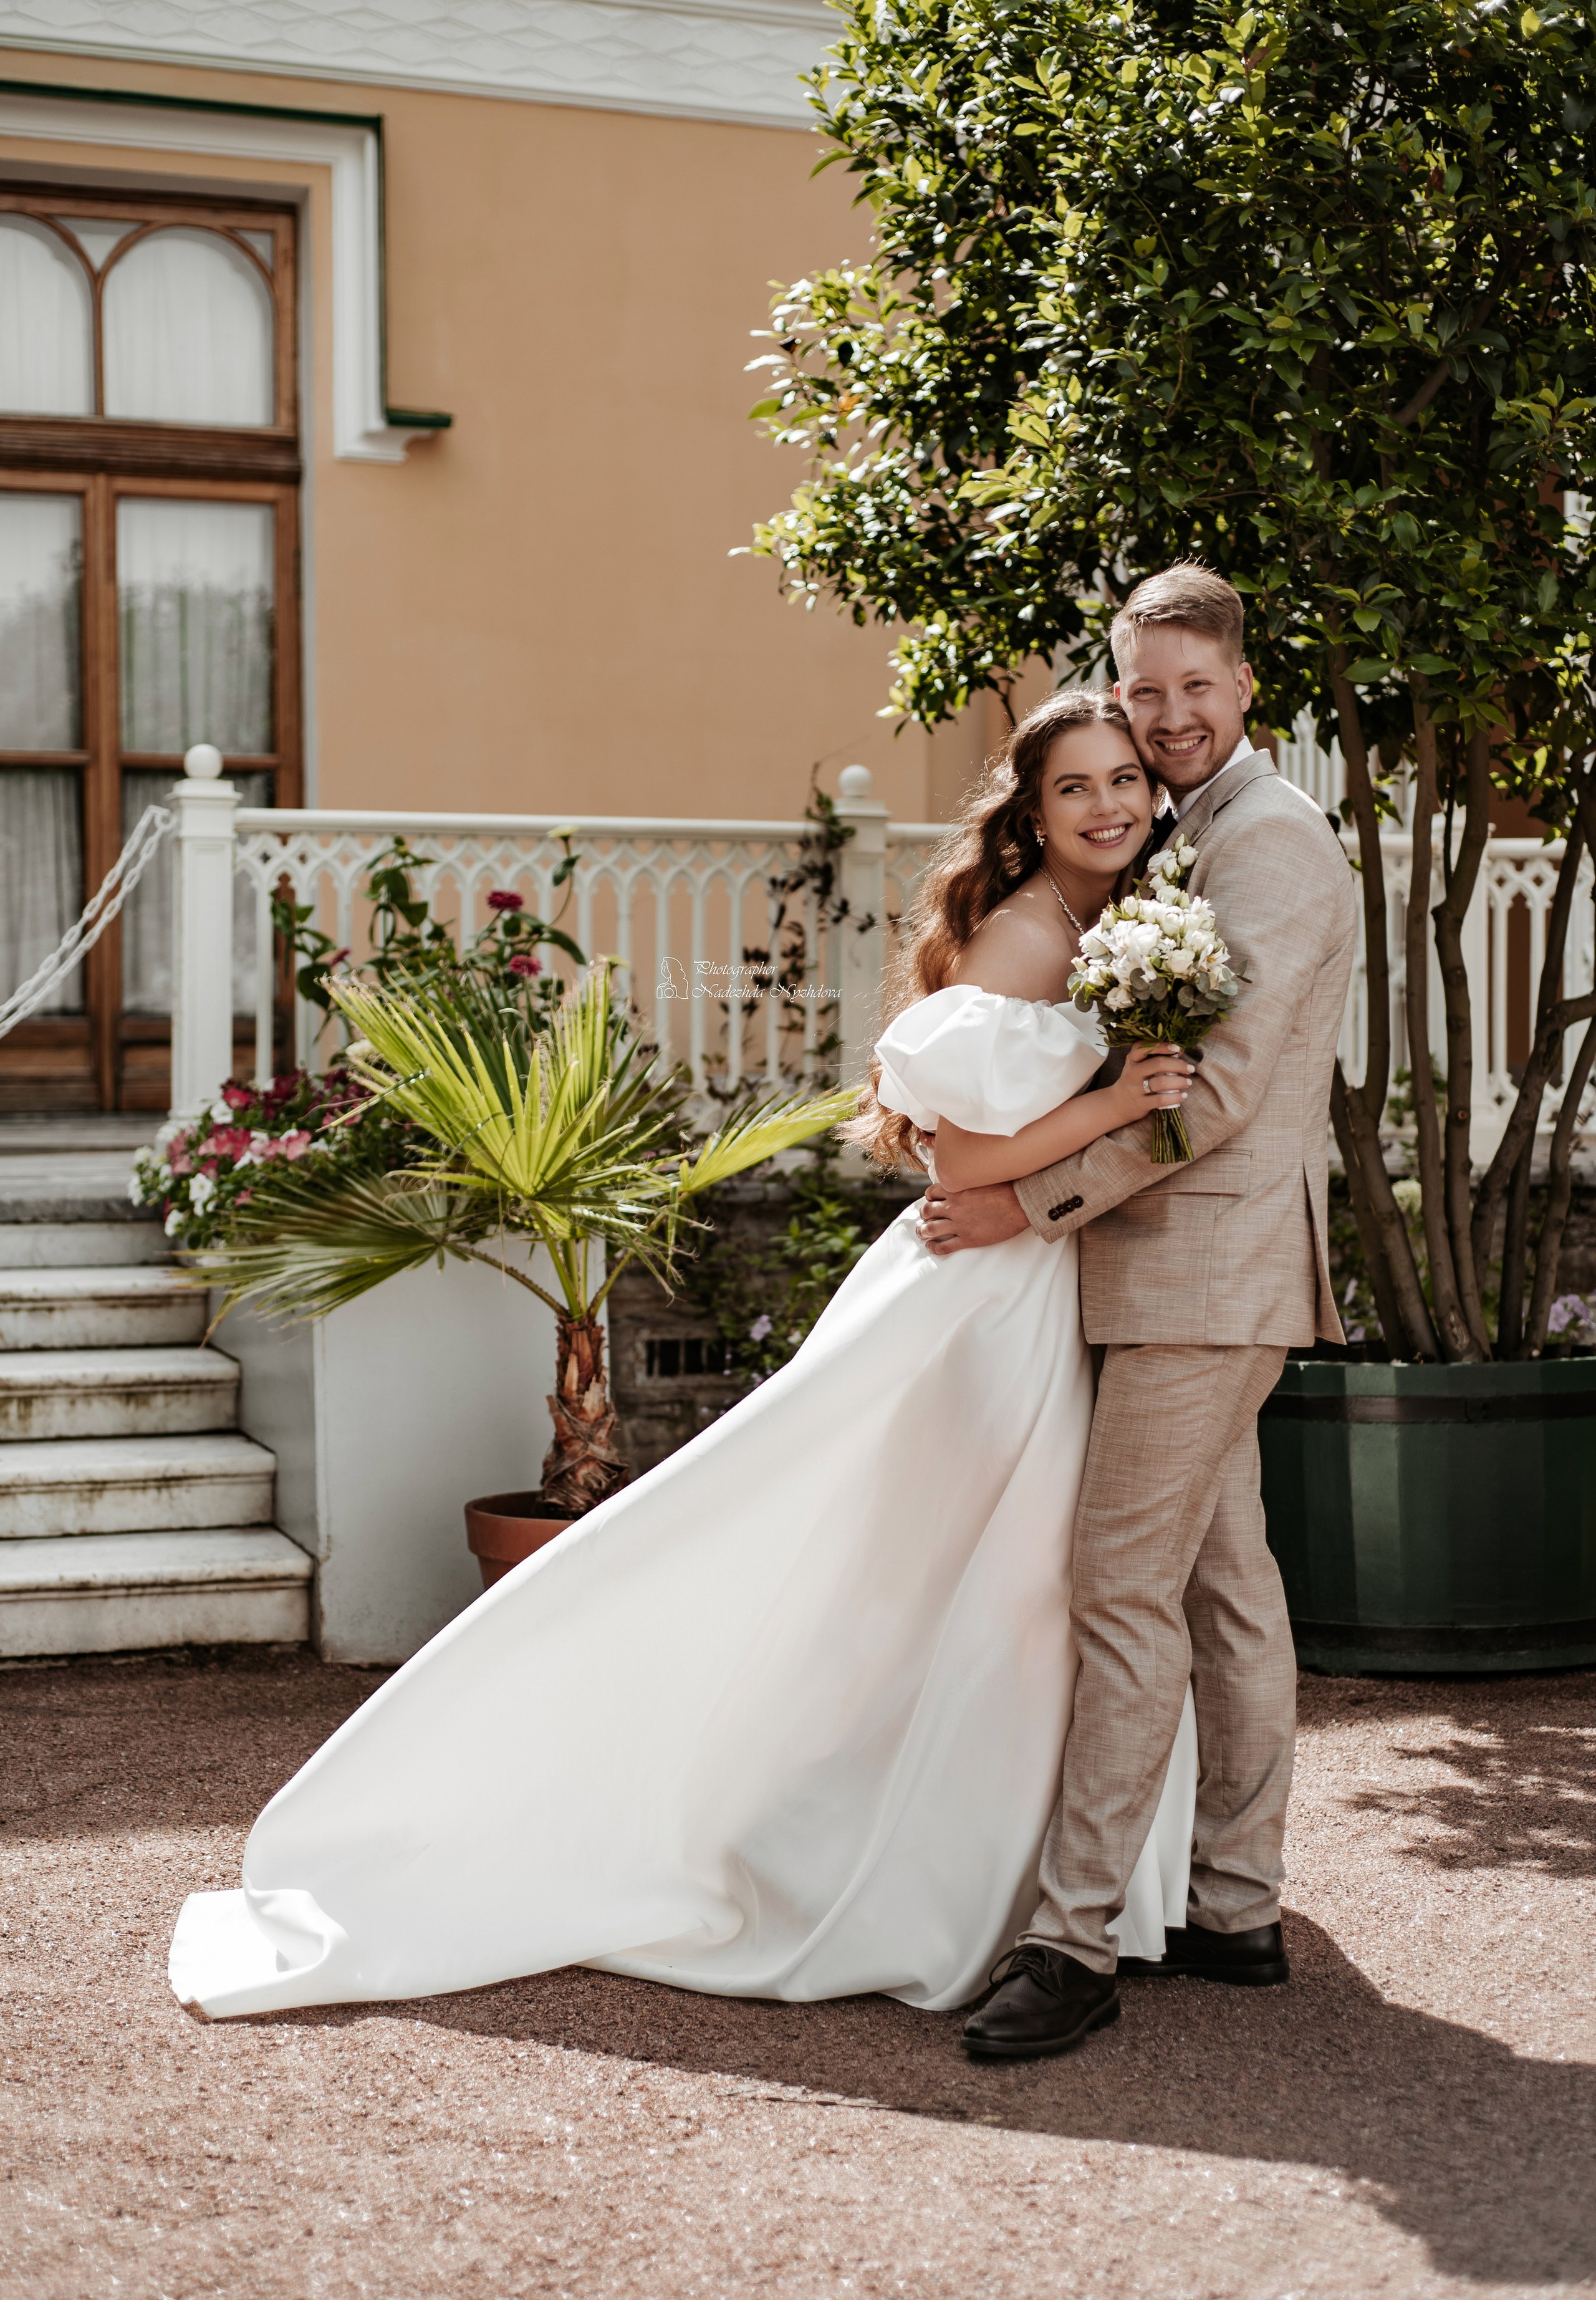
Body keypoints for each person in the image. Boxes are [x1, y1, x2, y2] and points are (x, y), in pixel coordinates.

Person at [168, 691, 1200, 2024]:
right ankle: (924, 1876)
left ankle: (1039, 1878)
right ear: (1031, 809)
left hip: (1044, 1288)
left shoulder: (1114, 926)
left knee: (1004, 1594)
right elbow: (954, 1156)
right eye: (1076, 787)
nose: (1108, 804)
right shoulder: (1017, 935)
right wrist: (1116, 1099)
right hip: (981, 1306)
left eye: (1125, 778)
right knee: (960, 1586)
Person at [926, 566, 1358, 2065]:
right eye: (1143, 688)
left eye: (1193, 688)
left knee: (1116, 1587)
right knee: (1220, 1580)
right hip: (1166, 1268)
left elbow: (1219, 1098)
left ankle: (1075, 1935)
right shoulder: (1191, 833)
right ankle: (1234, 1904)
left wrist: (1018, 1205)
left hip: (1204, 1271)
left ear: (1244, 686)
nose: (1167, 716)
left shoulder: (1275, 848)